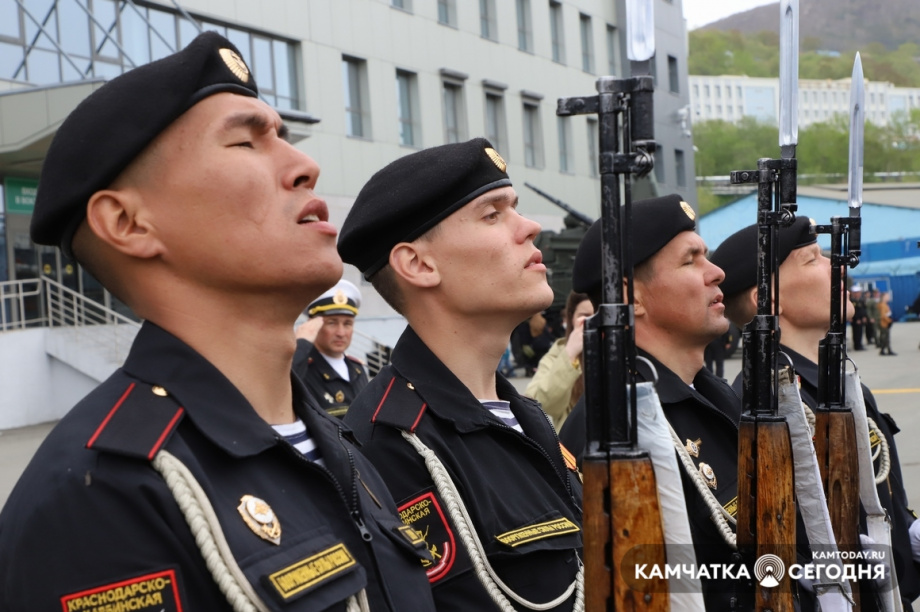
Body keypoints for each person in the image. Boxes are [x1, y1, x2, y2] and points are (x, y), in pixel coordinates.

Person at [0, 33, 435, 611]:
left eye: (282, 137)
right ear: (129, 223)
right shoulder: (104, 495)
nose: (305, 166)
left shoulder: (335, 447)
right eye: (245, 143)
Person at [338, 138, 584, 611]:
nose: (529, 226)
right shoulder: (387, 445)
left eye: (515, 208)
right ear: (419, 264)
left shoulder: (525, 419)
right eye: (493, 214)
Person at [712, 217, 920, 610]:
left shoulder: (845, 385)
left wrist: (907, 537)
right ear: (769, 300)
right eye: (812, 260)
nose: (835, 266)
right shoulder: (763, 403)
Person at [560, 194, 751, 609]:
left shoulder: (716, 395)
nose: (716, 272)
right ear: (633, 298)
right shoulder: (613, 428)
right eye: (691, 261)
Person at [293, 279, 369, 417]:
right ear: (313, 324)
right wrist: (302, 345)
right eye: (332, 323)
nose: (341, 333)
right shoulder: (302, 369)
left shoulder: (357, 369)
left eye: (347, 324)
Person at [524, 291, 593, 430]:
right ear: (571, 320)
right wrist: (570, 354)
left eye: (598, 315)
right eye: (585, 317)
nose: (593, 322)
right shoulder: (560, 353)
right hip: (575, 446)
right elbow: (540, 403)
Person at [511, 310, 558, 376]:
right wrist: (554, 339)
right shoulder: (542, 322)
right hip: (544, 344)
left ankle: (532, 371)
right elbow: (547, 334)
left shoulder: (530, 323)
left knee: (533, 360)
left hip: (535, 344)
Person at [878, 290, 897, 355]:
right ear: (883, 297)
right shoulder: (883, 305)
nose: (888, 297)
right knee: (886, 337)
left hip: (885, 323)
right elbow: (883, 315)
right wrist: (889, 321)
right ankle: (888, 350)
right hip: (884, 323)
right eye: (887, 296)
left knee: (886, 337)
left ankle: (883, 350)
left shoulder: (885, 304)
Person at [850, 283, 868, 350]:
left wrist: (864, 317)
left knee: (860, 332)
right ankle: (857, 345)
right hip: (856, 320)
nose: (859, 294)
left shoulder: (861, 300)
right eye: (857, 292)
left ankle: (860, 344)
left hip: (861, 319)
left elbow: (863, 309)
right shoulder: (852, 301)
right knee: (856, 333)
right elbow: (854, 311)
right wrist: (856, 319)